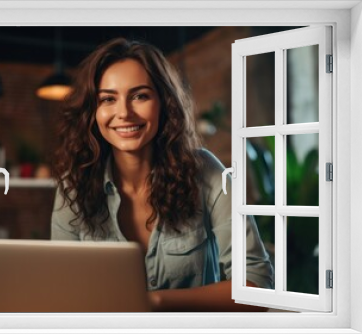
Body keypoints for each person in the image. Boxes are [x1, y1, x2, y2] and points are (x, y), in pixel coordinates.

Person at [50, 37, 273, 312]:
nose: (124, 113)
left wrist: (153, 301)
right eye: (108, 99)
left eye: (140, 96)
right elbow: (60, 289)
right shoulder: (73, 187)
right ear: (93, 112)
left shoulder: (207, 173)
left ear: (164, 103)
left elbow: (257, 286)